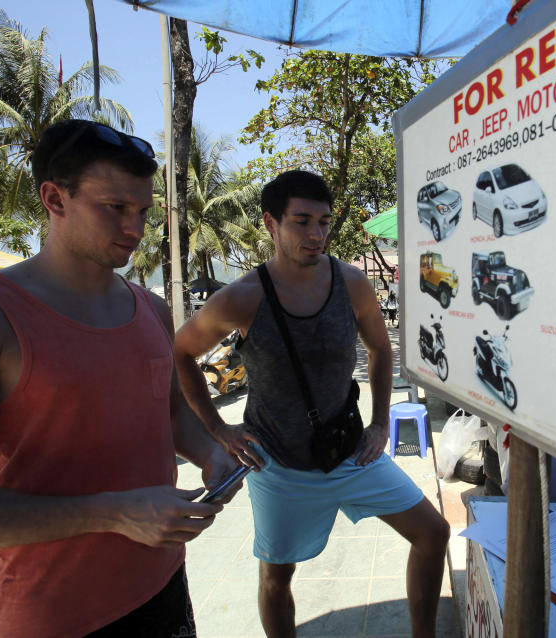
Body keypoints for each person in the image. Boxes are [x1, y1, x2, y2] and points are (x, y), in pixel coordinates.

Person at [0, 119, 240, 638]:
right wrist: (111, 514)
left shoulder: (152, 310)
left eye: (142, 211)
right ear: (55, 198)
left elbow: (172, 410)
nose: (135, 228)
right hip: (49, 615)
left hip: (161, 582)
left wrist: (212, 454)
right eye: (115, 208)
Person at [174, 170, 450, 638]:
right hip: (277, 463)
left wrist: (380, 424)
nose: (316, 235)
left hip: (349, 451)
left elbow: (382, 349)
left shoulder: (352, 284)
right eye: (301, 221)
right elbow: (181, 352)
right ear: (270, 223)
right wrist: (218, 430)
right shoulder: (243, 298)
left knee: (433, 533)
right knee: (277, 577)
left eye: (323, 222)